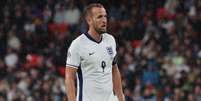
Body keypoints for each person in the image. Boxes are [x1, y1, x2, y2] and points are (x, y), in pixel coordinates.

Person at [65, 3, 125, 101]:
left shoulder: (110, 40)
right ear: (89, 21)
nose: (104, 20)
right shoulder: (78, 44)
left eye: (105, 16)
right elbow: (69, 77)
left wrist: (120, 97)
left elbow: (114, 70)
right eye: (99, 17)